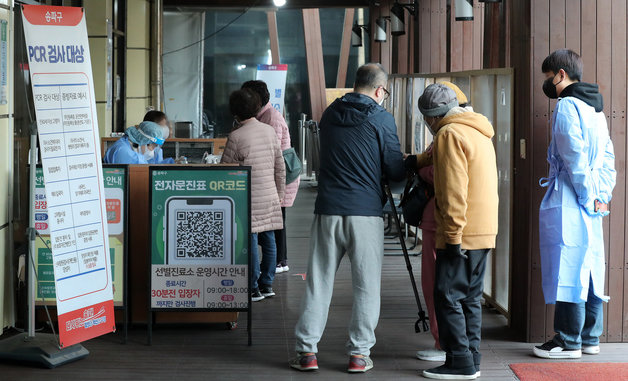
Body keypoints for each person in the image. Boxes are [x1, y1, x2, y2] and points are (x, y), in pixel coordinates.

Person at [290, 63, 405, 374]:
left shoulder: (329, 113)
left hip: (327, 210)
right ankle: (358, 354)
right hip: (365, 213)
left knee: (318, 283)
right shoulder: (381, 118)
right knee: (366, 286)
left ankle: (307, 353)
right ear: (380, 90)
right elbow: (395, 170)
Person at [533, 49, 616, 359]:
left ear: (561, 75)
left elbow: (573, 157)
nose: (548, 84)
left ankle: (568, 340)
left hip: (572, 195)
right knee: (591, 266)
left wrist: (585, 196)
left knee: (569, 265)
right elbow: (607, 158)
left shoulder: (567, 105)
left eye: (547, 78)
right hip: (593, 198)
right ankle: (590, 336)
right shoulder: (596, 107)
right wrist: (600, 196)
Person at [415, 83, 498, 380]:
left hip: (461, 232)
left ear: (432, 118)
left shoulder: (448, 134)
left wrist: (451, 238)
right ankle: (471, 358)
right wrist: (418, 160)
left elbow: (452, 192)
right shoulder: (476, 128)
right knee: (470, 298)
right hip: (484, 229)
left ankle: (459, 361)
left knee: (446, 294)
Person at [408, 81, 471, 363]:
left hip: (440, 220)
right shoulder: (474, 127)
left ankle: (442, 342)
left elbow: (443, 174)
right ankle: (457, 342)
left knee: (436, 285)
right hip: (464, 221)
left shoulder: (447, 133)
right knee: (460, 286)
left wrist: (420, 170)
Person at [220, 88, 285, 302]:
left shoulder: (236, 136)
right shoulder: (269, 131)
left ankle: (253, 287)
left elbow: (226, 170)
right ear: (257, 108)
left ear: (234, 112)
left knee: (250, 240)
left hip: (248, 197)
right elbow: (280, 166)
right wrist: (279, 193)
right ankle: (267, 284)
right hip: (270, 196)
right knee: (269, 239)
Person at [241, 80, 300, 274]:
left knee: (276, 222)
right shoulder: (263, 115)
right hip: (275, 176)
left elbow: (269, 152)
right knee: (275, 221)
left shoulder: (271, 118)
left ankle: (280, 262)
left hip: (279, 177)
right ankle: (277, 261)